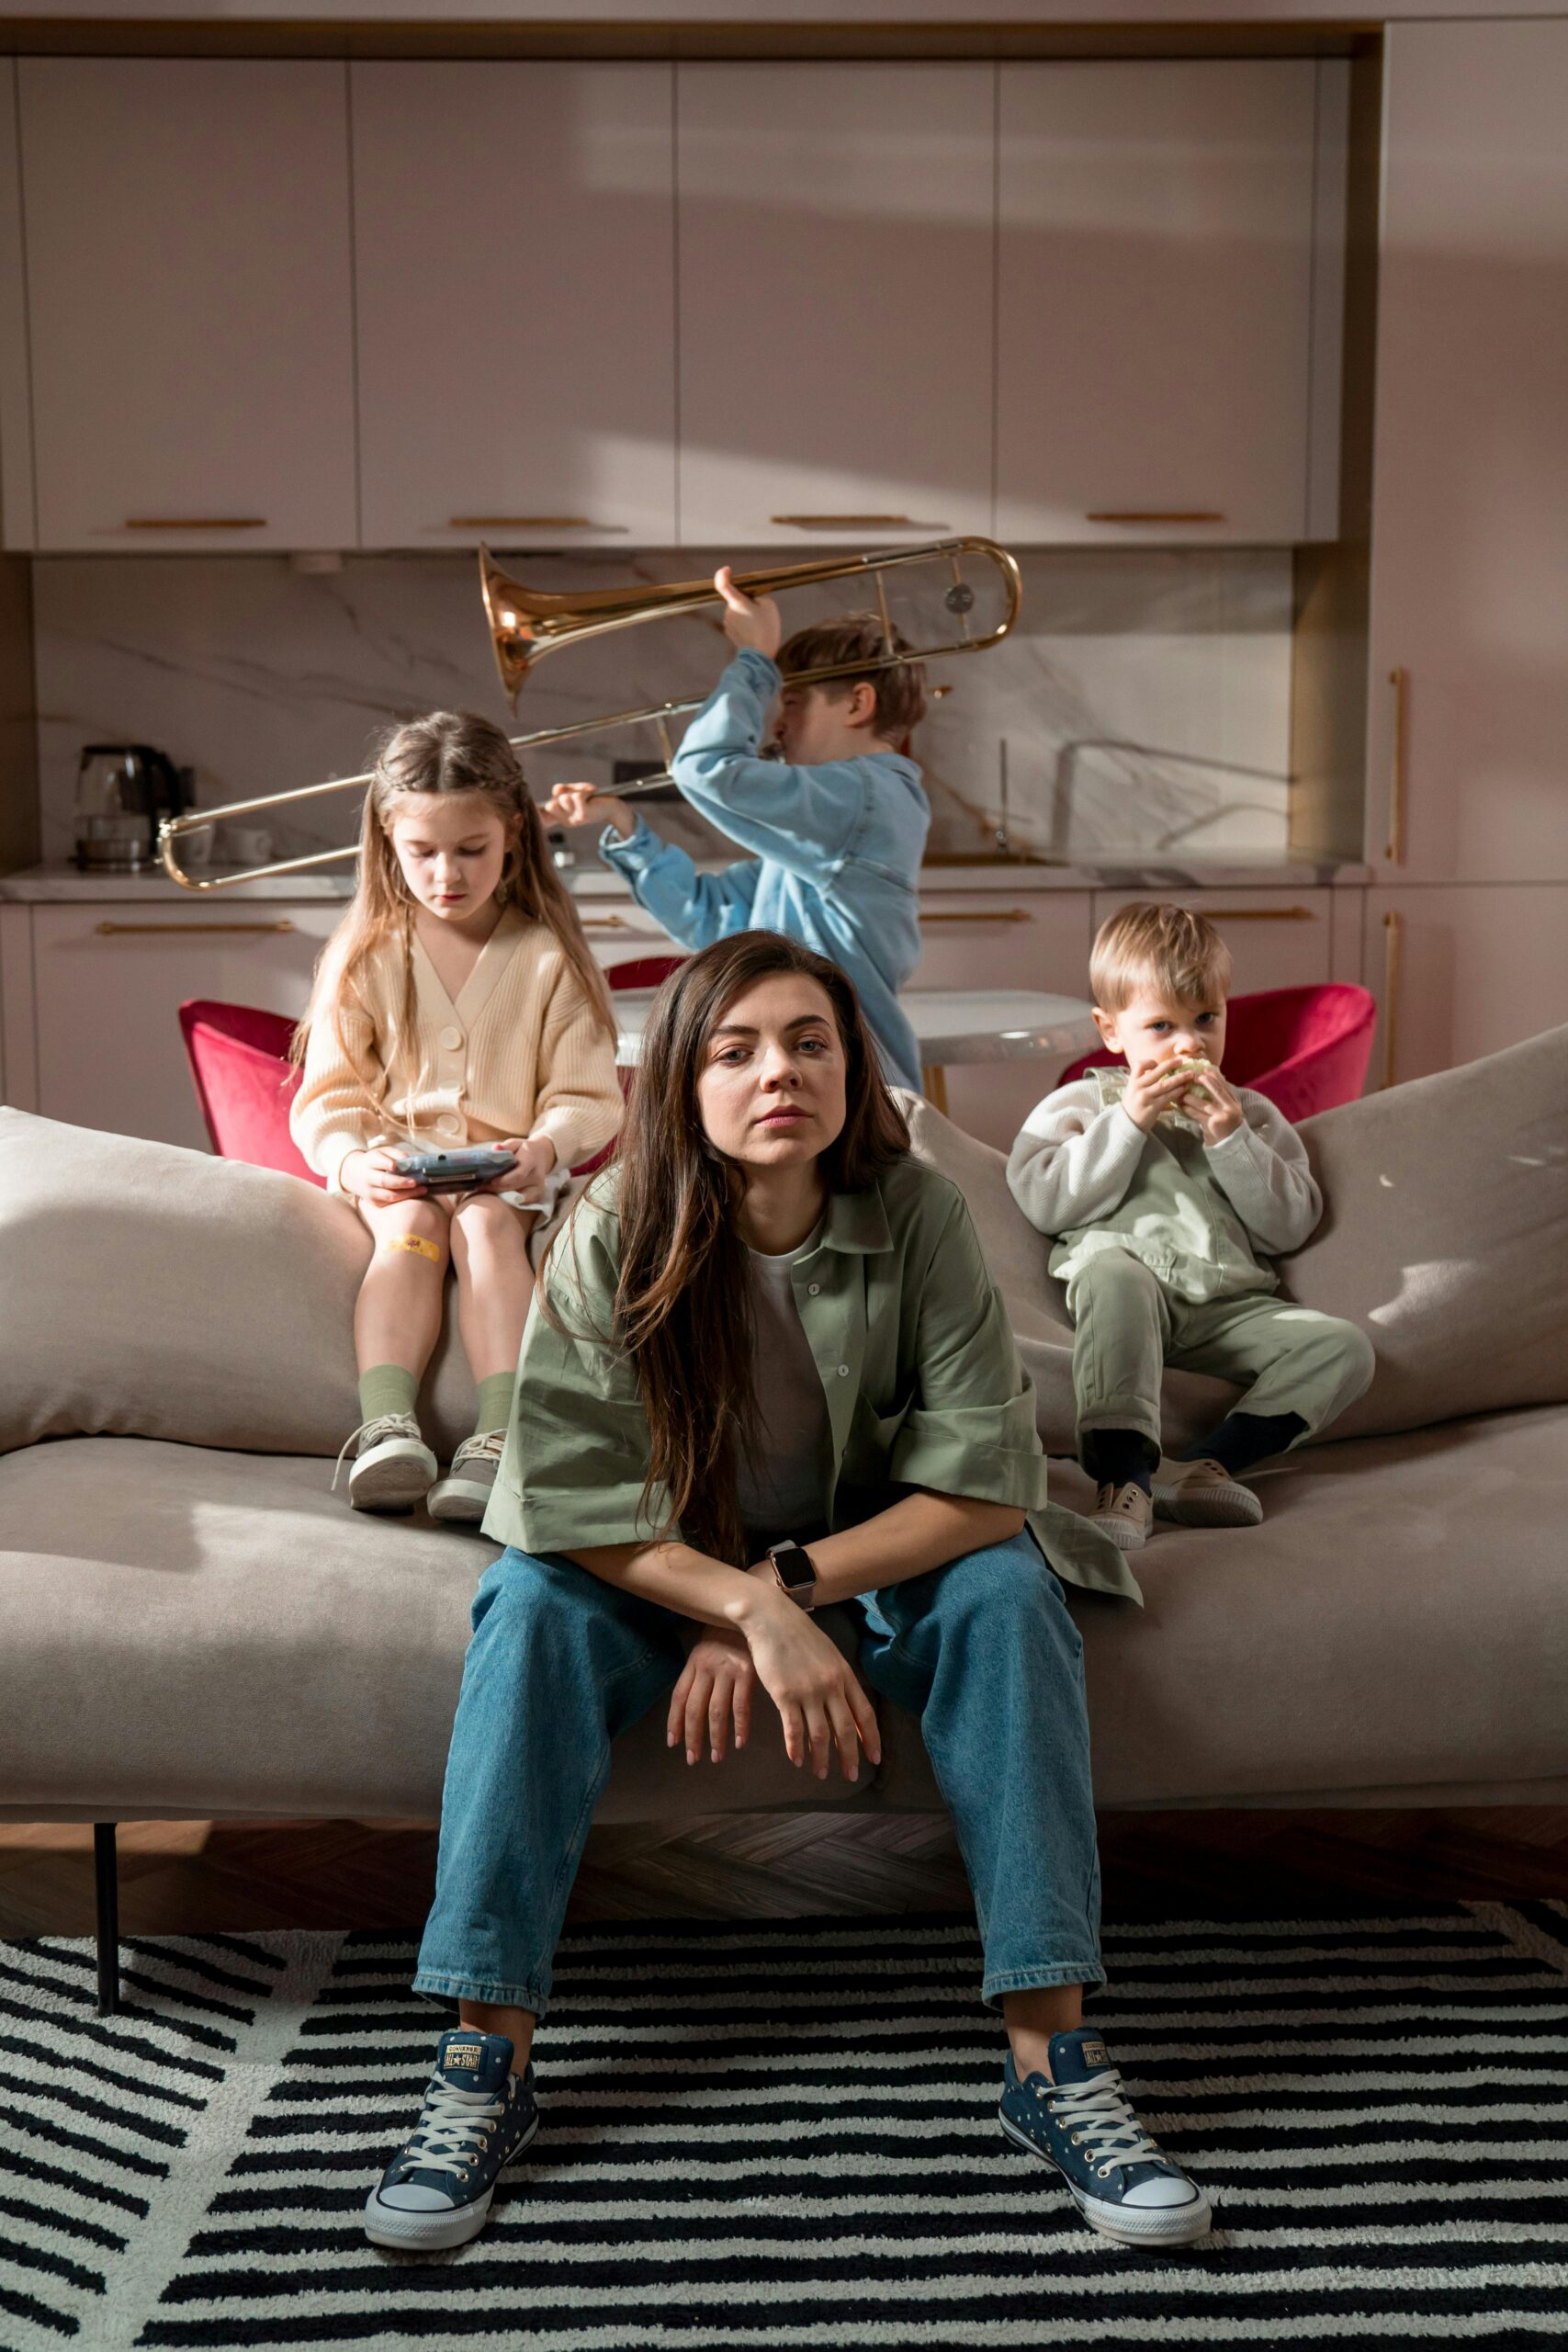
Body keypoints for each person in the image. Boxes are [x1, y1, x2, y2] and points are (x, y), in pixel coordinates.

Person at [364, 931, 1212, 2256]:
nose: (780, 1073)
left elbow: (986, 1484)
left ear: (850, 1065)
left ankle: (1051, 2069)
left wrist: (788, 1588)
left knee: (1005, 1598)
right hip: (657, 1569)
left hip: (874, 1557)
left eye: (810, 1041)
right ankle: (484, 2066)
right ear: (682, 1084)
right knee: (524, 1613)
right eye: (737, 1047)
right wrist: (739, 1611)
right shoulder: (607, 1224)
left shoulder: (919, 1209)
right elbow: (567, 1500)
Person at [289, 710, 622, 1521]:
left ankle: (499, 1440)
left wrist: (545, 1148)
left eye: (471, 850)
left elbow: (585, 1095)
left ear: (513, 831)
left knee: (481, 1229)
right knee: (410, 1237)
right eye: (423, 852)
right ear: (387, 840)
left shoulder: (549, 958)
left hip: (502, 1180)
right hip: (397, 1176)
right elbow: (328, 1097)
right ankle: (386, 1430)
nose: (447, 873)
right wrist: (349, 1160)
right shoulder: (364, 956)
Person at [1007, 902, 1375, 1552]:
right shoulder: (1081, 1103)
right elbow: (1045, 1203)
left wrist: (1228, 1137)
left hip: (1226, 1307)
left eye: (1206, 1018)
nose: (1189, 1044)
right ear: (1111, 1030)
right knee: (1114, 1275)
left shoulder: (1251, 1115)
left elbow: (1289, 1227)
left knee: (1344, 1347)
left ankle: (1204, 1468)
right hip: (1125, 1289)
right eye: (1160, 1025)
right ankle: (1122, 1480)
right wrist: (1128, 1123)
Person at [544, 566, 931, 1091]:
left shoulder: (866, 798)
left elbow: (704, 767)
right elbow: (709, 918)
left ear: (858, 704)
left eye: (791, 702)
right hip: (812, 1085)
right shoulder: (829, 829)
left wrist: (755, 660)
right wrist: (625, 826)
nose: (777, 724)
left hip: (854, 1095)